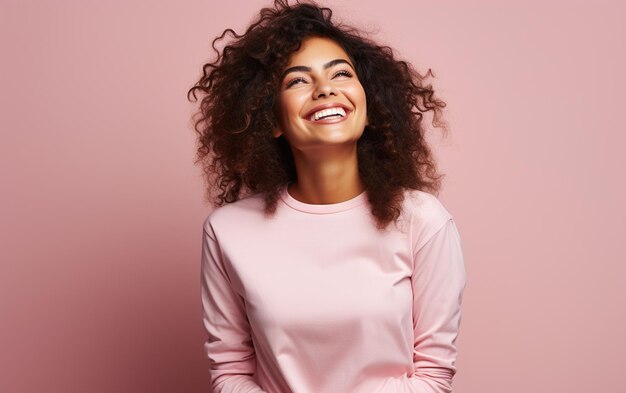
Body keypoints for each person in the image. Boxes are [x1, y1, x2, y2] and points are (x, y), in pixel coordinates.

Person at [187, 1, 467, 392]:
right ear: (273, 122)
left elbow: (433, 376)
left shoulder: (423, 221)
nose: (325, 89)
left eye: (341, 73)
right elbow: (230, 373)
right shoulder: (227, 232)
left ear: (369, 108)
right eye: (298, 80)